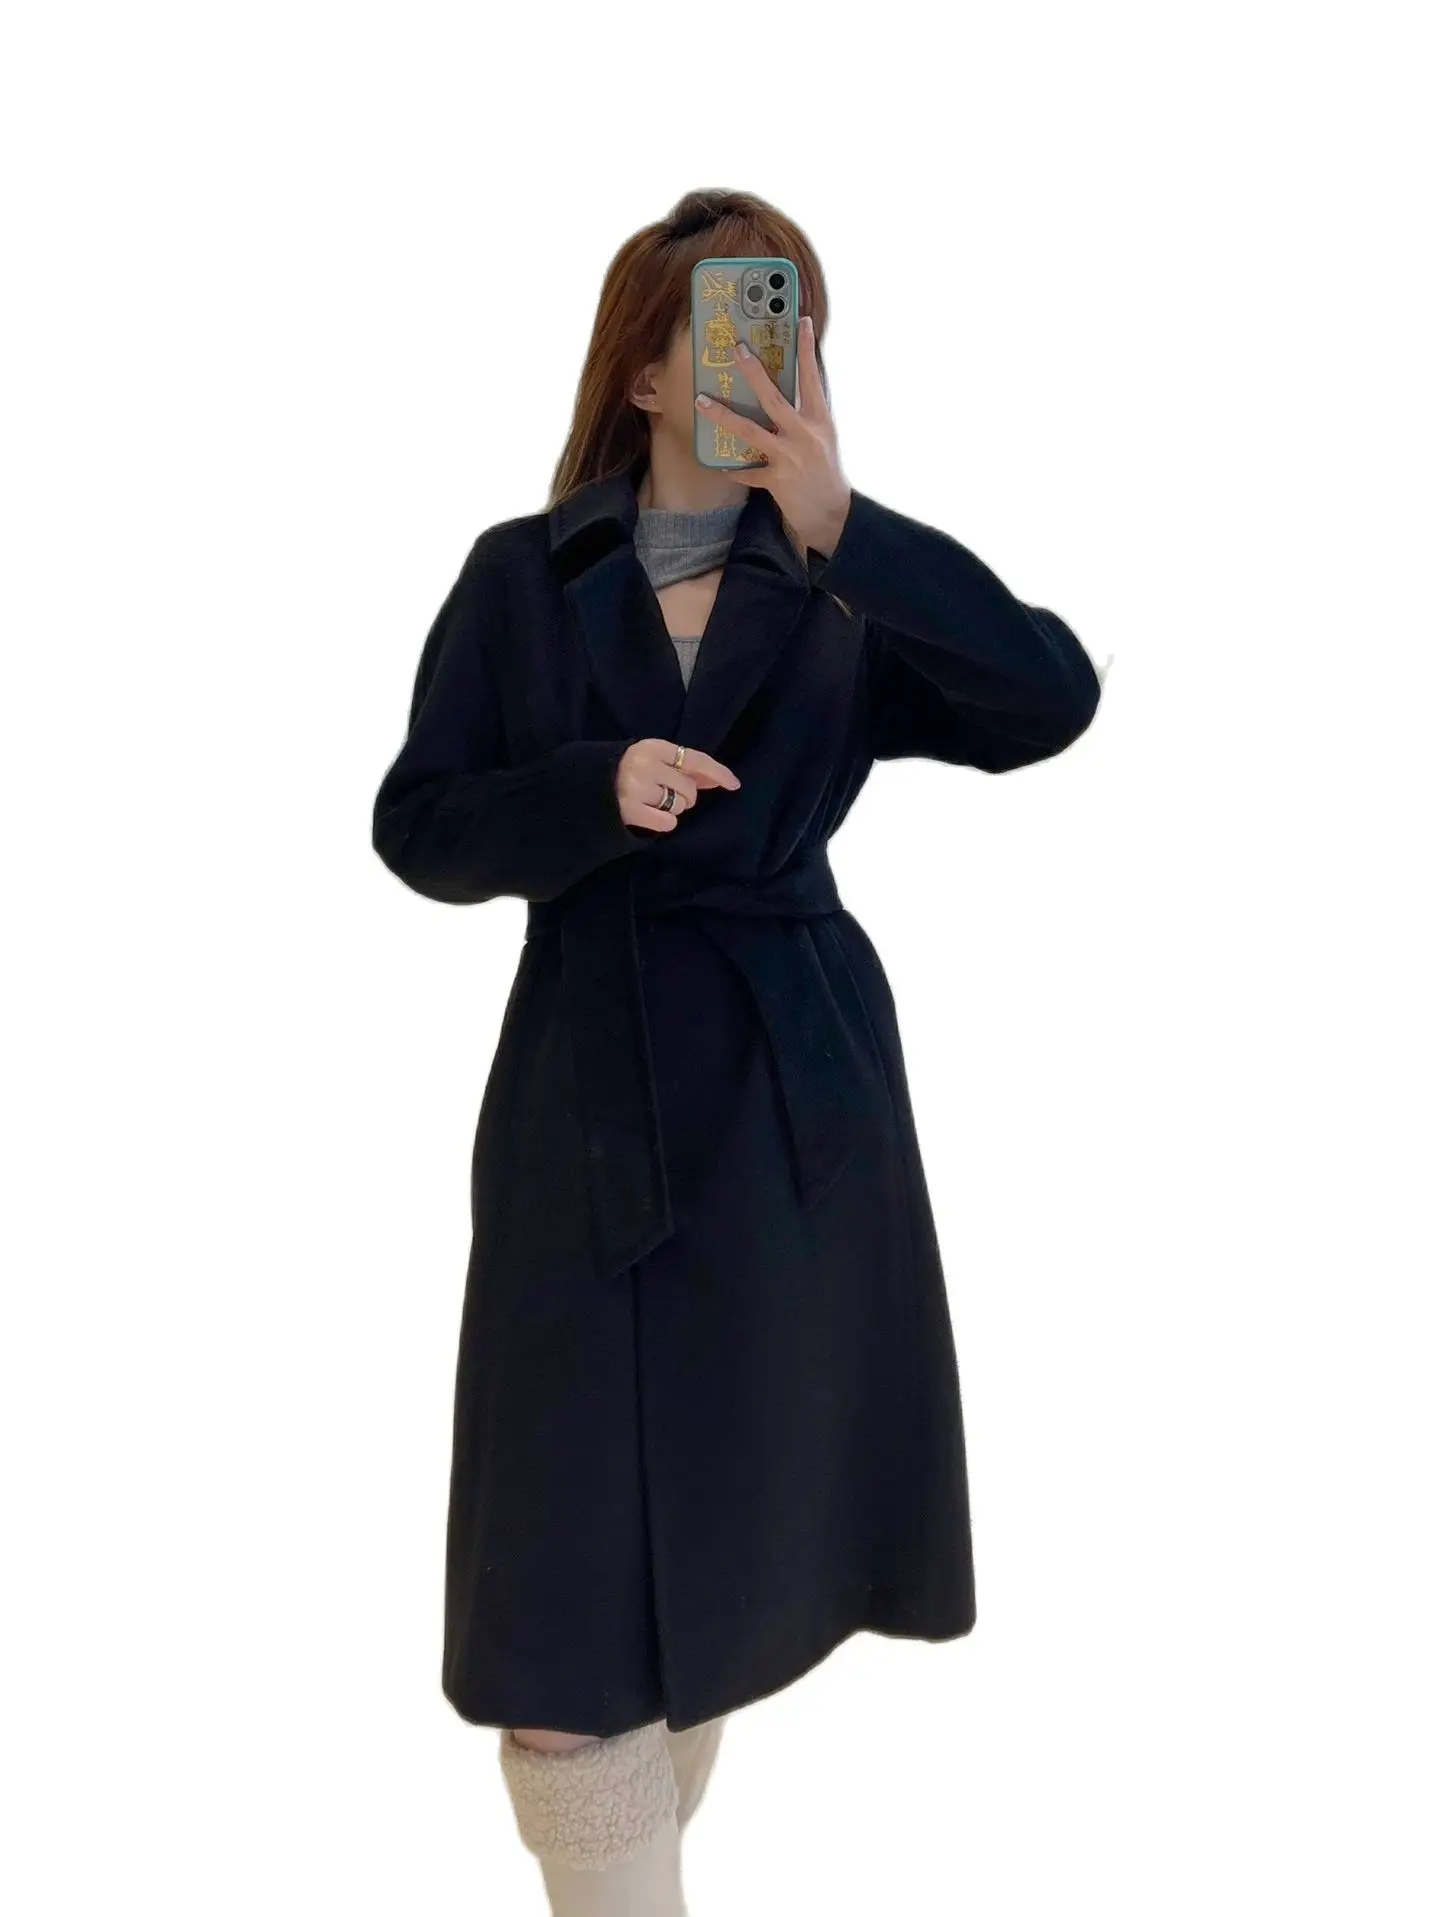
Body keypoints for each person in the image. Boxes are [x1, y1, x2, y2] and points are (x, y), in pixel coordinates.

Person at [372, 188, 1103, 1916]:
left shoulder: (841, 585)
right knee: (561, 1636)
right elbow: (418, 826)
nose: (756, 365)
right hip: (585, 1101)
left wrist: (848, 525)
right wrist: (588, 793)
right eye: (717, 329)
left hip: (794, 1108)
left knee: (727, 1541)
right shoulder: (520, 575)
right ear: (641, 370)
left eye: (784, 328)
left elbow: (1050, 702)